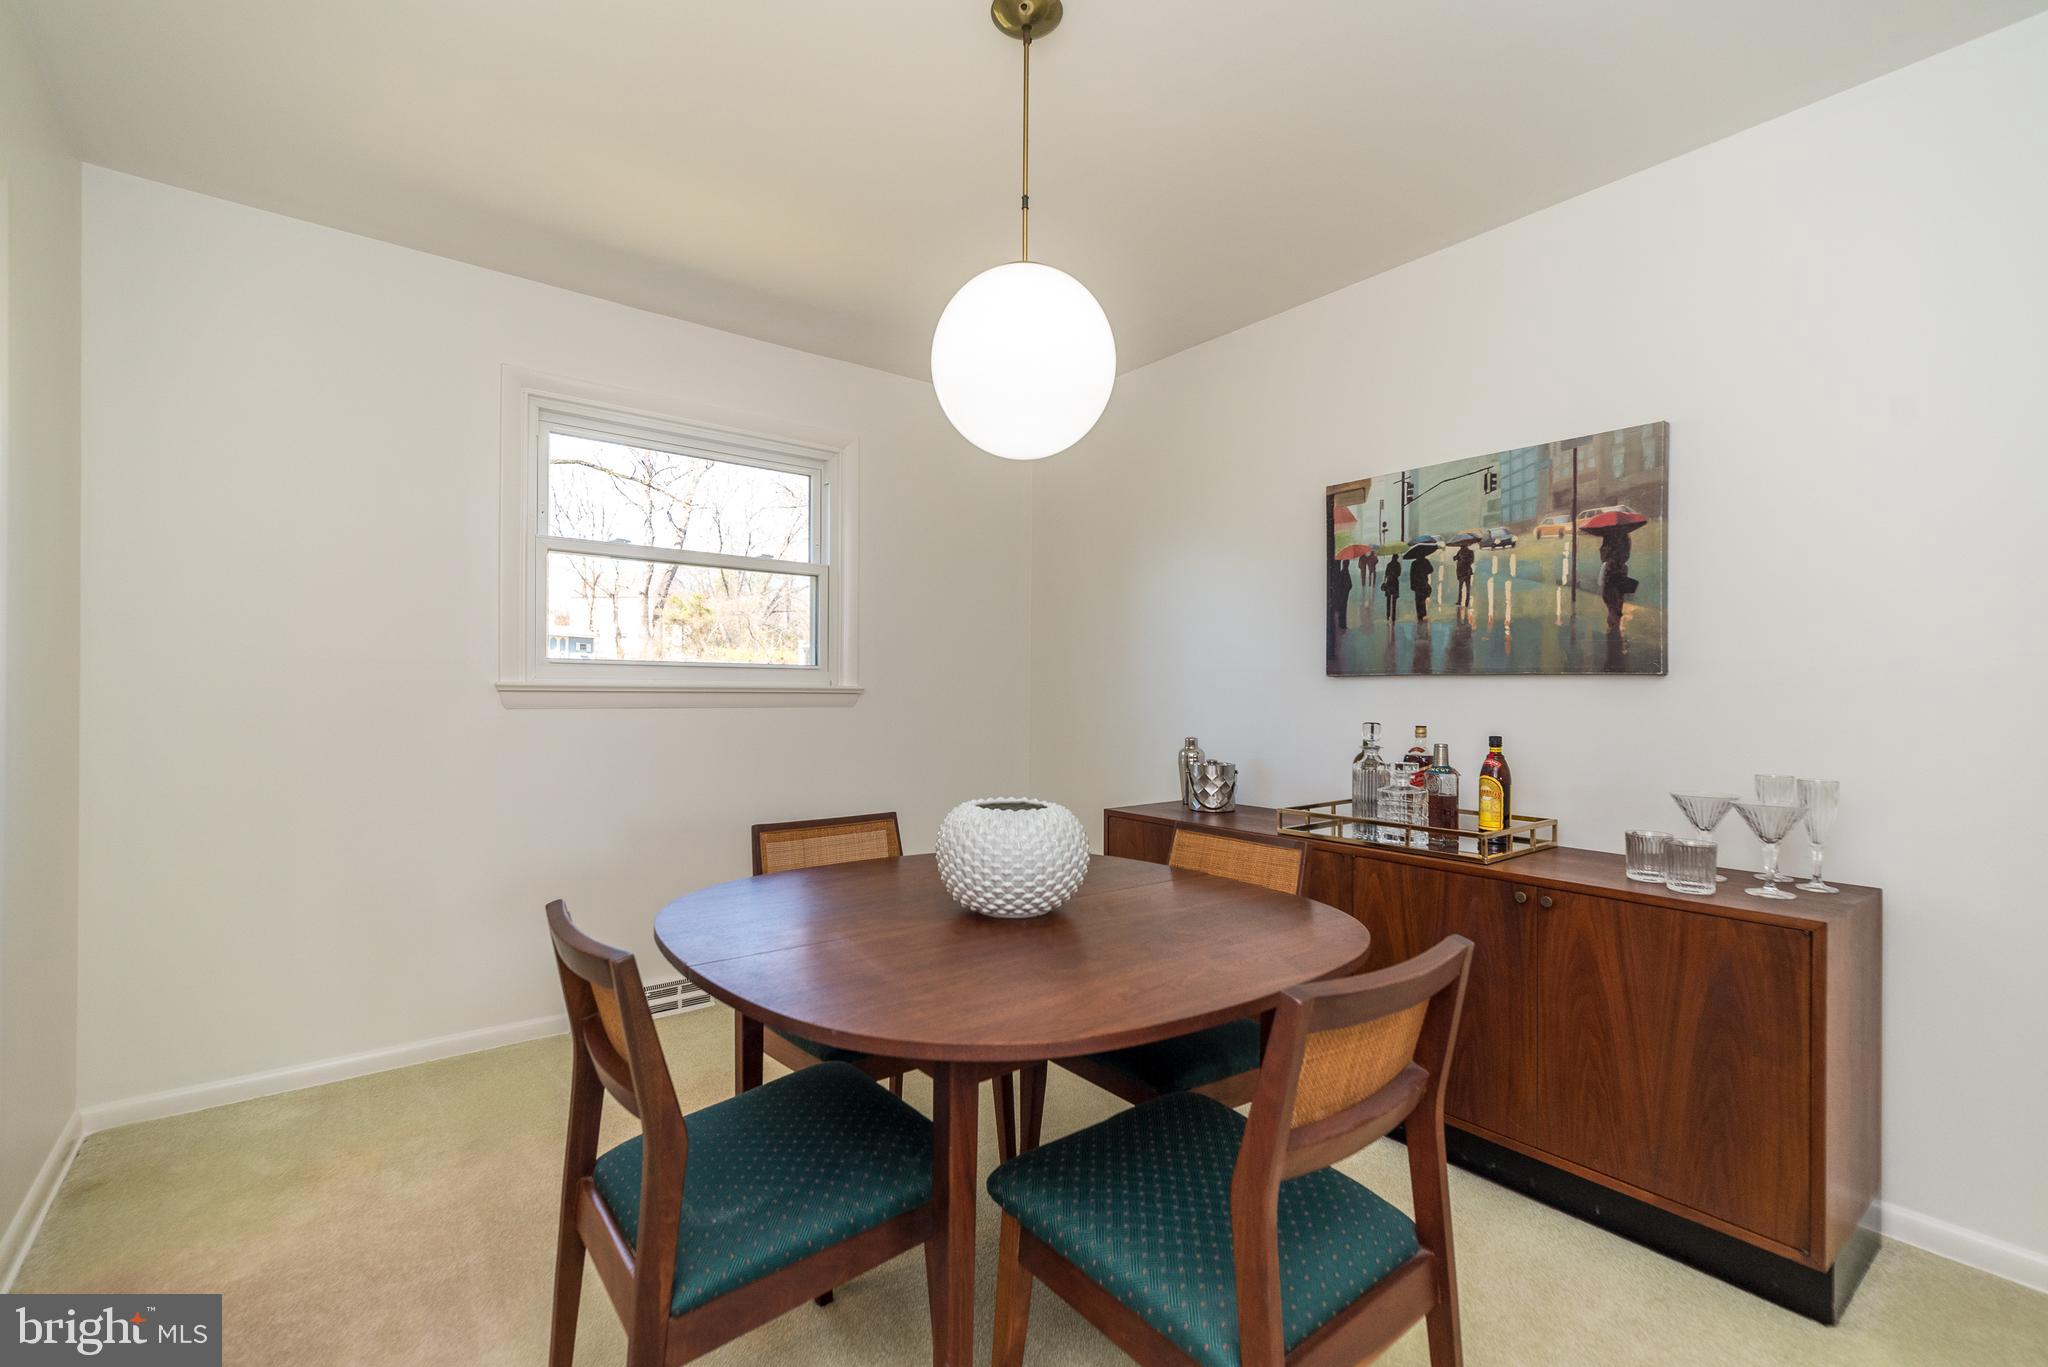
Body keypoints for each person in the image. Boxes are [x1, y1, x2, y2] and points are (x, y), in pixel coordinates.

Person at [1597, 527, 1639, 629]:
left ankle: (1614, 625)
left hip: (1611, 579)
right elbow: (1625, 555)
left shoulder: (1608, 538)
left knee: (1613, 604)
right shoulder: (1625, 538)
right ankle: (1615, 624)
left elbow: (1604, 556)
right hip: (1618, 576)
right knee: (1616, 604)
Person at [1328, 556, 1353, 633]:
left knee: (1342, 609)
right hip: (1343, 595)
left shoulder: (1343, 572)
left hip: (1342, 594)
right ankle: (1342, 625)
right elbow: (1348, 584)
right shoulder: (1345, 572)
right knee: (1343, 610)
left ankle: (1342, 624)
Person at [1409, 552, 1433, 622]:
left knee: (1418, 600)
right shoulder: (1426, 561)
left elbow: (1411, 575)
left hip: (1417, 584)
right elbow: (1431, 570)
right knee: (1422, 599)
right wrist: (1425, 571)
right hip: (1423, 583)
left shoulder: (1414, 563)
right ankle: (1423, 614)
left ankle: (1419, 615)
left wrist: (1412, 585)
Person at [1454, 544, 1476, 609]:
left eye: (1462, 546)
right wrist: (1455, 557)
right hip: (1460, 572)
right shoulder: (1460, 551)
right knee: (1460, 588)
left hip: (1467, 572)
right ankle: (1459, 601)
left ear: (1466, 546)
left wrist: (1463, 559)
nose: (1461, 547)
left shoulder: (1470, 552)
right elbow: (1455, 558)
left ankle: (1467, 602)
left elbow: (1471, 561)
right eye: (1461, 546)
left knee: (1467, 588)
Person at [1382, 557, 1401, 624]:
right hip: (1395, 583)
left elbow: (1386, 574)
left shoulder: (1389, 564)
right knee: (1394, 602)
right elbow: (1399, 574)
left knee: (1388, 601)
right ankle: (1393, 617)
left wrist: (1384, 581)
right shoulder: (1398, 564)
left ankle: (1388, 616)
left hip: (1389, 583)